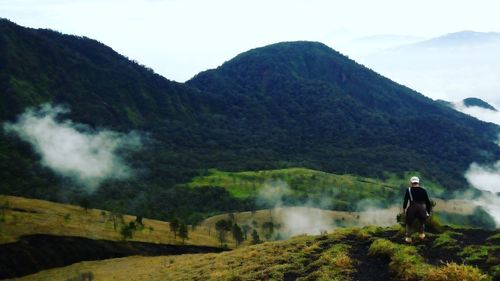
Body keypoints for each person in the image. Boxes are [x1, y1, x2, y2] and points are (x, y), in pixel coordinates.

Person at [402, 176, 432, 243]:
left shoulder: (409, 190)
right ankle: (421, 235)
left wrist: (404, 208)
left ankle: (408, 238)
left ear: (411, 182)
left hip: (412, 207)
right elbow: (427, 201)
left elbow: (406, 200)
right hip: (422, 207)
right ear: (418, 182)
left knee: (409, 223)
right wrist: (428, 211)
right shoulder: (423, 190)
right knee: (422, 222)